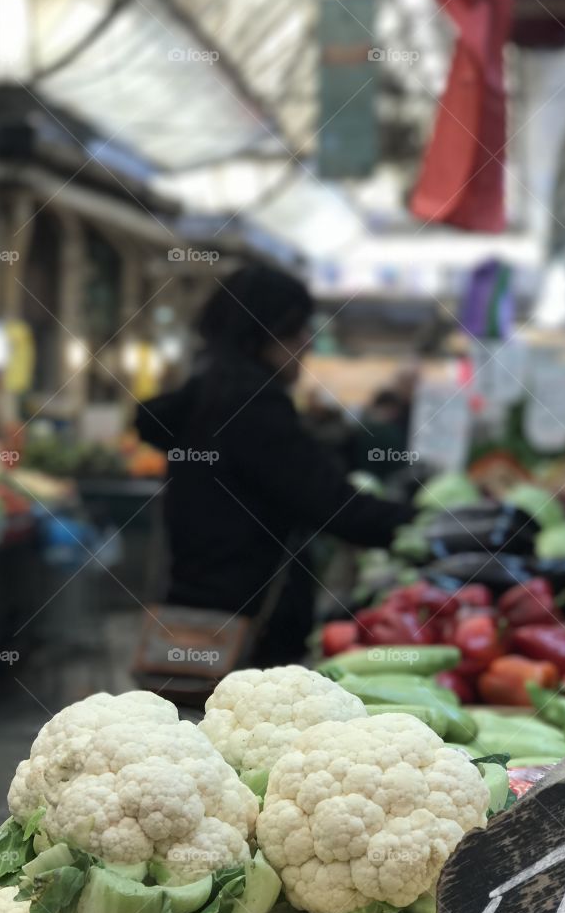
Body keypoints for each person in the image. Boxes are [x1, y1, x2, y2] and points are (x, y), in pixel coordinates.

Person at [135, 264, 413, 665]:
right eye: (297, 332)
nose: (306, 345)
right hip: (249, 624)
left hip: (196, 607)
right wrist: (422, 527)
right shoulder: (252, 406)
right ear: (262, 335)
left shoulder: (204, 397)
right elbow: (328, 501)